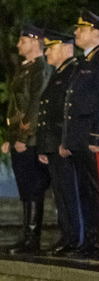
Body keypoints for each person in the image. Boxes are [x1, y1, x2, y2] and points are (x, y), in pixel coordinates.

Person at [67, 9, 99, 258]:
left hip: (92, 138)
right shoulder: (83, 62)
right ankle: (89, 240)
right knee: (85, 192)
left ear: (96, 33)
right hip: (79, 137)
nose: (76, 32)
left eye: (81, 29)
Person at [5, 24, 53, 254]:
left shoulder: (40, 69)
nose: (18, 45)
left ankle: (32, 238)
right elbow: (15, 107)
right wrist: (10, 136)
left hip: (31, 140)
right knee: (25, 188)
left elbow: (36, 105)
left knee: (33, 187)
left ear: (35, 42)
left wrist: (24, 136)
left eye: (22, 41)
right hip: (20, 138)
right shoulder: (25, 68)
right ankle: (26, 236)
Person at [36, 31, 82, 255]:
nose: (46, 52)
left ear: (65, 48)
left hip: (63, 144)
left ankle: (74, 237)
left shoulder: (73, 71)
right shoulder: (58, 73)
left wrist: (65, 141)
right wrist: (45, 146)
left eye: (50, 48)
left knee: (69, 192)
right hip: (53, 144)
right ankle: (67, 235)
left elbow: (69, 112)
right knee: (60, 193)